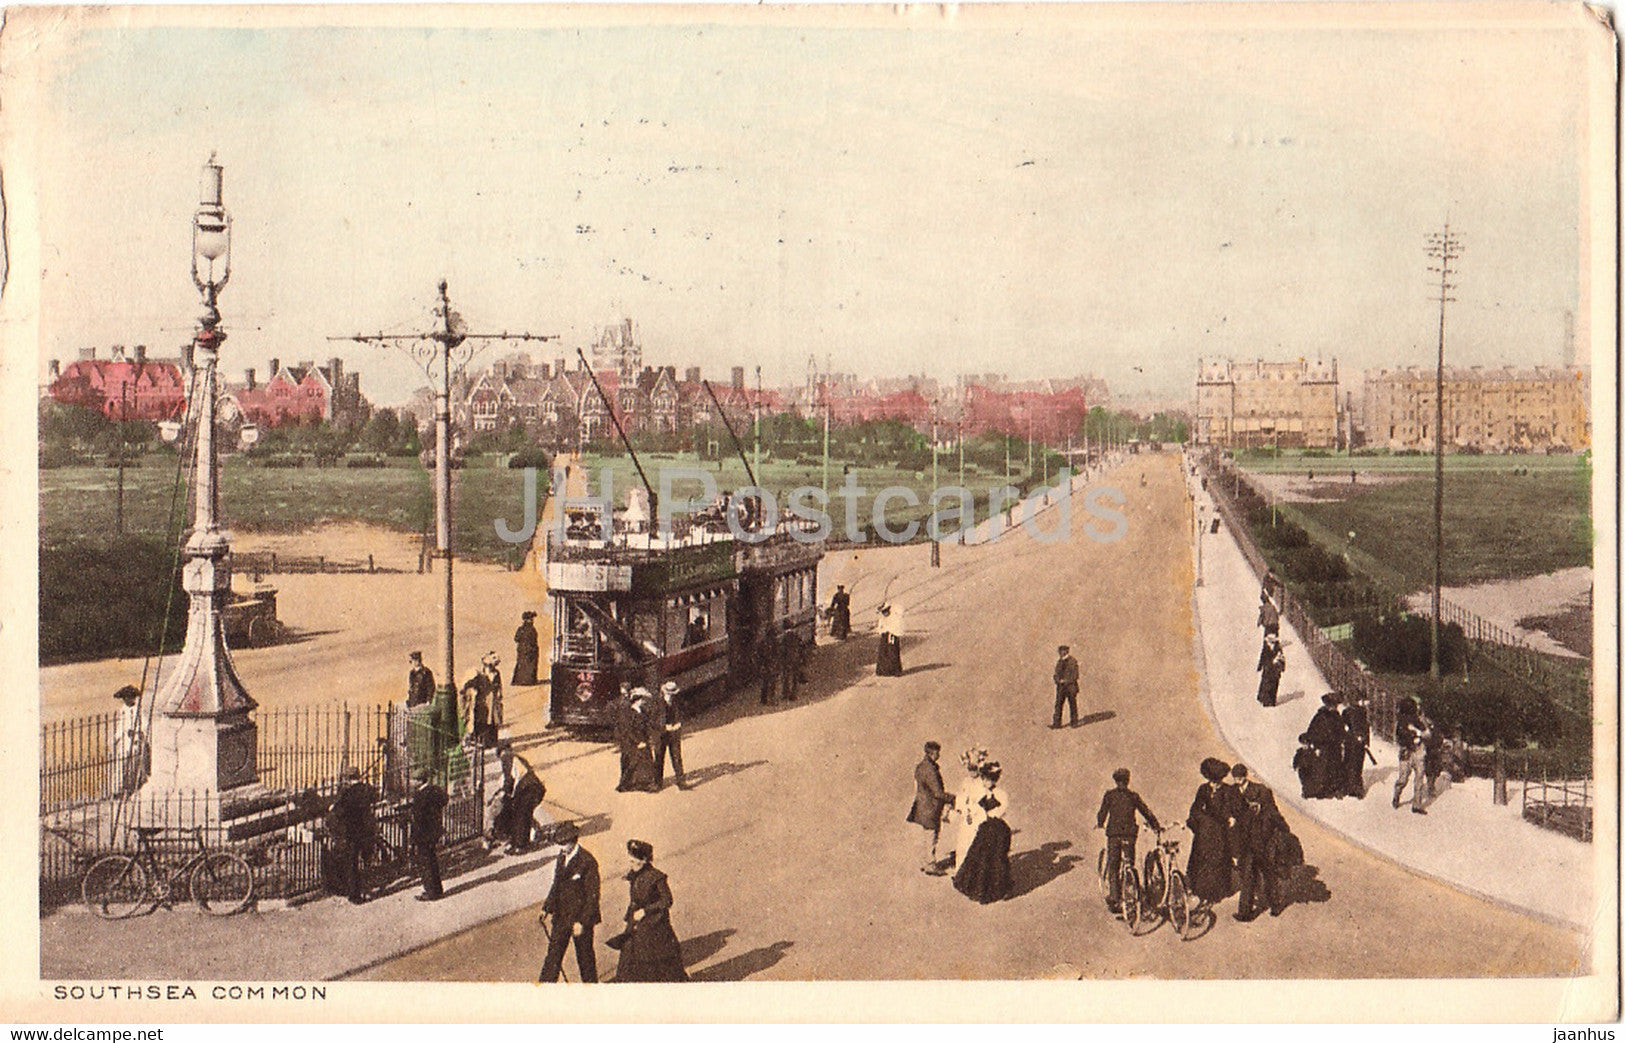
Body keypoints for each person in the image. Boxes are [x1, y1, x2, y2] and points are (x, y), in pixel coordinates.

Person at [611, 840, 689, 982]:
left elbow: (667, 901)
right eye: (630, 861)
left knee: (657, 964)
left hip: (654, 926)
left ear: (645, 860)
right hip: (635, 923)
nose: (631, 865)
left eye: (634, 862)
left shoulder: (657, 877)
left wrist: (646, 911)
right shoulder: (635, 874)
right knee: (628, 958)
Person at [538, 821, 600, 983]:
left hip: (580, 919)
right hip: (561, 916)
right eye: (560, 844)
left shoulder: (587, 861)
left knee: (585, 959)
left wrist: (582, 922)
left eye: (564, 843)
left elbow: (593, 897)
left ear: (574, 840)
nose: (562, 847)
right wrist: (547, 908)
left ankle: (591, 992)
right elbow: (556, 884)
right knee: (553, 957)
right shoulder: (561, 857)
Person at [1096, 768, 1160, 914]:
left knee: (1114, 865)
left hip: (1114, 834)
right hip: (1130, 834)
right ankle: (1132, 889)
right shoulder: (1133, 796)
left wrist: (1100, 823)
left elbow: (1103, 812)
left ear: (1115, 781)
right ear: (1128, 780)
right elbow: (1145, 811)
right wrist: (1155, 825)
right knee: (1129, 863)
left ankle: (1115, 897)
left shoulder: (1110, 795)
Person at [1230, 764, 1287, 921]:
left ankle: (1275, 905)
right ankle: (1244, 912)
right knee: (1247, 876)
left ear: (1245, 776)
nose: (1237, 781)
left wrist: (1261, 809)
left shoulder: (1262, 791)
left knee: (1268, 875)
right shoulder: (1233, 792)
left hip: (1263, 841)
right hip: (1246, 842)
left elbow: (1274, 813)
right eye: (1235, 778)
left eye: (1239, 778)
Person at [952, 762, 1013, 904]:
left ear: (994, 780)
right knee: (981, 857)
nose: (985, 782)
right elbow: (974, 806)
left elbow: (1001, 810)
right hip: (986, 827)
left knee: (997, 858)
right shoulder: (982, 792)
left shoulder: (1001, 794)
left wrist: (990, 810)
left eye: (988, 780)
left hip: (997, 828)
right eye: (984, 779)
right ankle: (981, 889)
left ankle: (998, 889)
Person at [1185, 758, 1233, 914]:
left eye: (1216, 782)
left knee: (1218, 860)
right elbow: (1196, 807)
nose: (1214, 784)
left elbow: (1227, 811)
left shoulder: (1227, 791)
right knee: (1201, 859)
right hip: (1205, 832)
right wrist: (1200, 820)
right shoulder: (1203, 789)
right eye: (1212, 781)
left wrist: (1220, 820)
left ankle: (1216, 891)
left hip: (1219, 832)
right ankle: (1199, 889)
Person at [326, 768, 378, 904]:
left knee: (352, 863)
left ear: (348, 779)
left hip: (352, 832)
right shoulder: (368, 789)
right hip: (367, 830)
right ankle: (366, 885)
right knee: (367, 859)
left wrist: (333, 808)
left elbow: (340, 812)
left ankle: (355, 894)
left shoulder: (348, 794)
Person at [907, 741, 953, 875]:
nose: (939, 755)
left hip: (922, 805)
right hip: (931, 807)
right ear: (932, 753)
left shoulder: (920, 767)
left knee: (927, 834)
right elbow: (937, 792)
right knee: (932, 835)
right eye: (938, 752)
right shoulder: (930, 769)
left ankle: (925, 862)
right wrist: (952, 798)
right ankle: (930, 864)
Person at [614, 685, 660, 793]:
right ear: (637, 700)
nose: (643, 701)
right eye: (641, 699)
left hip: (642, 740)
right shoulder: (629, 713)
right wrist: (638, 742)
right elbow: (628, 730)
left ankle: (644, 783)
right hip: (633, 742)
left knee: (645, 762)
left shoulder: (641, 711)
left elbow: (646, 725)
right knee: (634, 763)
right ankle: (630, 784)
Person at [409, 775, 447, 901]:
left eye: (414, 779)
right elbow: (445, 799)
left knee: (425, 863)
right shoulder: (435, 790)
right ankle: (437, 889)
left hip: (423, 833)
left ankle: (430, 892)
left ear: (420, 781)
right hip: (434, 831)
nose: (411, 782)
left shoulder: (420, 795)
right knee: (432, 860)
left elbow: (418, 817)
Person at [952, 747, 991, 870]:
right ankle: (962, 872)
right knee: (964, 843)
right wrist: (962, 809)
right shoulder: (966, 781)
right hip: (967, 816)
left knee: (978, 843)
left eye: (974, 769)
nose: (971, 772)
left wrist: (974, 810)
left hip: (979, 815)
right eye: (969, 769)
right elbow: (961, 797)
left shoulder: (982, 782)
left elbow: (986, 798)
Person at [1392, 698, 1432, 814]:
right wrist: (1413, 737)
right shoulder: (1401, 722)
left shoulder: (1417, 721)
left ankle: (1417, 805)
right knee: (1403, 778)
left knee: (1419, 777)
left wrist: (1416, 732)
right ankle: (1397, 794)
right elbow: (1399, 738)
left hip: (1418, 751)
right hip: (1406, 751)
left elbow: (1428, 734)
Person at [1304, 692, 1346, 798]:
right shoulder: (1321, 716)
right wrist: (1313, 741)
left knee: (1335, 767)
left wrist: (1341, 739)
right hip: (1323, 746)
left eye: (1335, 705)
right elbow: (1313, 730)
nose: (1334, 707)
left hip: (1334, 747)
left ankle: (1332, 789)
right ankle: (1319, 790)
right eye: (1332, 705)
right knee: (1322, 768)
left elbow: (1340, 730)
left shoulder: (1337, 716)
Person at [111, 685, 148, 796]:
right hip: (124, 741)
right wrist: (115, 739)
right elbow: (120, 726)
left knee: (133, 765)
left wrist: (137, 733)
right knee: (121, 764)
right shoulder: (123, 710)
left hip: (135, 741)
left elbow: (144, 725)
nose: (127, 700)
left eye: (129, 698)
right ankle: (118, 789)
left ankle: (131, 787)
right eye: (125, 698)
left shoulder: (138, 710)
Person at [508, 752, 547, 852]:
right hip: (531, 788)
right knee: (522, 813)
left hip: (530, 789)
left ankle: (522, 844)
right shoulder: (517, 760)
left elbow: (513, 781)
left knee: (522, 814)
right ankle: (533, 833)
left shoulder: (511, 760)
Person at [654, 681, 687, 789]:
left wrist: (679, 723)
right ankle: (658, 783)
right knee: (659, 758)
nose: (671, 695)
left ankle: (681, 782)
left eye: (672, 693)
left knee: (677, 757)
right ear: (664, 692)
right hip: (661, 734)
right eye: (669, 693)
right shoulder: (658, 702)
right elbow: (653, 719)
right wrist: (663, 727)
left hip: (674, 732)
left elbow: (683, 711)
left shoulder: (677, 700)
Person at [1341, 692, 1372, 799]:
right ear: (1360, 701)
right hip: (1356, 742)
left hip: (1351, 741)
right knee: (1356, 764)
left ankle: (1348, 787)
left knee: (1350, 762)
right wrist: (1361, 737)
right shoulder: (1358, 711)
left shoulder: (1349, 710)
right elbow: (1361, 727)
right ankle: (1355, 789)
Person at [1051, 645, 1080, 729]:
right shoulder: (1059, 662)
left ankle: (1074, 722)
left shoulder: (1073, 661)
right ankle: (1057, 724)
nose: (1061, 653)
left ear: (1067, 651)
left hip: (1071, 687)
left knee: (1072, 704)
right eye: (1060, 651)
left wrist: (1065, 681)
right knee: (1058, 704)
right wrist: (1057, 680)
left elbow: (1075, 675)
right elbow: (1056, 674)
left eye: (1062, 651)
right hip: (1061, 687)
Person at [1256, 633, 1285, 707]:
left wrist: (1280, 666)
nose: (1269, 643)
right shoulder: (1266, 647)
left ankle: (1271, 702)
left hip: (1274, 671)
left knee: (1273, 686)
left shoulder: (1278, 649)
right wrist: (1260, 666)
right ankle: (1263, 699)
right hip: (1267, 669)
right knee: (1265, 684)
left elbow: (1282, 659)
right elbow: (1262, 656)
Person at [480, 653, 505, 739]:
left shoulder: (496, 673)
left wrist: (499, 693)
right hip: (485, 700)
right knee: (485, 719)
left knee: (494, 719)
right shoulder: (482, 674)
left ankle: (493, 739)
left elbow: (499, 685)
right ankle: (485, 740)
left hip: (494, 699)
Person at [875, 603, 904, 677]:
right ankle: (884, 670)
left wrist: (889, 630)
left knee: (893, 652)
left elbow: (897, 627)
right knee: (883, 652)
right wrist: (882, 630)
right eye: (883, 612)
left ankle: (895, 671)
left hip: (892, 636)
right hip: (885, 637)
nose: (885, 613)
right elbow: (880, 628)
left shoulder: (894, 617)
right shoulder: (882, 619)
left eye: (885, 611)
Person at [512, 612, 541, 686]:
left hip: (522, 649)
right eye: (531, 619)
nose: (532, 621)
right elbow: (534, 640)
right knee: (530, 665)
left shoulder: (520, 629)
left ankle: (520, 681)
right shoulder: (532, 629)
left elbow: (516, 639)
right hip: (531, 649)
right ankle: (529, 681)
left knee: (521, 664)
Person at [1291, 733, 1320, 799]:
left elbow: (1315, 760)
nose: (1305, 744)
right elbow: (1296, 758)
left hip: (1309, 768)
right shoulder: (1301, 751)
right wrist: (1295, 765)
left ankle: (1309, 792)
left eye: (1306, 743)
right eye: (1304, 743)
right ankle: (1307, 791)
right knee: (1304, 780)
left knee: (1308, 779)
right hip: (1303, 768)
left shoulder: (1312, 752)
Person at [779, 629, 804, 701]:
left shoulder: (784, 637)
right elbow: (801, 646)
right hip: (796, 658)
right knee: (794, 678)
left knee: (786, 677)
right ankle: (794, 695)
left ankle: (786, 694)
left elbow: (782, 649)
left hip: (787, 659)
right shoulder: (796, 635)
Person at [755, 631, 779, 705]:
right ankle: (771, 700)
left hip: (764, 665)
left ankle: (763, 699)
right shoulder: (774, 642)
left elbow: (758, 654)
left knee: (765, 682)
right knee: (772, 682)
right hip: (771, 664)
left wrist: (759, 665)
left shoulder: (762, 643)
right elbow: (777, 653)